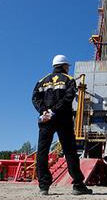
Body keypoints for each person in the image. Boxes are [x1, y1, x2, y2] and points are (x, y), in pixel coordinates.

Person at [32, 55, 93, 195]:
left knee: (42, 151)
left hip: (45, 119)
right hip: (63, 118)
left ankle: (43, 186)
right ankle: (78, 185)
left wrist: (44, 111)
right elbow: (68, 97)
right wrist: (54, 110)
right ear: (65, 66)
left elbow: (35, 97)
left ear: (54, 66)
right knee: (70, 152)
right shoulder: (69, 79)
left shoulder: (42, 81)